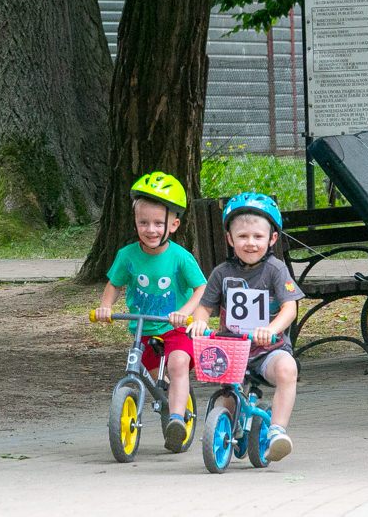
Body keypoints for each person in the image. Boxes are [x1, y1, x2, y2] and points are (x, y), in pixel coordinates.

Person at [94, 171, 207, 453]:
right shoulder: (128, 255)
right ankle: (159, 402)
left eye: (159, 223)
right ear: (135, 222)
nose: (151, 229)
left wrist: (184, 312)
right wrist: (106, 306)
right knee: (157, 377)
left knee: (178, 364)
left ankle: (177, 420)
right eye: (143, 222)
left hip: (175, 328)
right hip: (144, 330)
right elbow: (114, 284)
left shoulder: (181, 257)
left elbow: (201, 289)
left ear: (174, 224)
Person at [187, 192, 303, 462]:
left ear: (272, 238)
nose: (250, 243)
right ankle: (224, 426)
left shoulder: (276, 270)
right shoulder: (222, 273)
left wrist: (272, 329)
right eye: (242, 236)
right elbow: (204, 306)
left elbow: (290, 308)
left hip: (267, 349)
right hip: (232, 349)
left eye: (258, 237)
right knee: (227, 396)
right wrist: (200, 321)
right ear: (230, 239)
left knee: (288, 369)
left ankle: (276, 430)